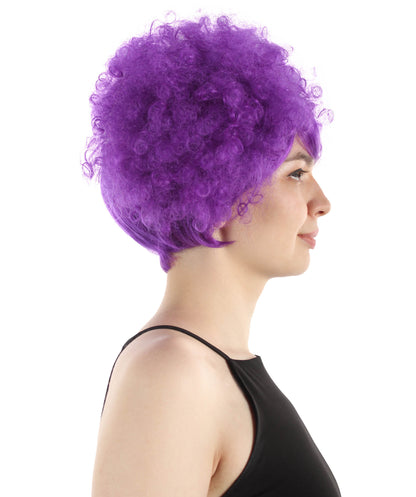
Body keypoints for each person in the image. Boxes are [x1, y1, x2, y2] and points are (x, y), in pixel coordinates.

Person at [82, 13, 341, 497]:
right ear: (218, 198)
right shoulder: (171, 373)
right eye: (295, 174)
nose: (322, 202)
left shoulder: (213, 368)